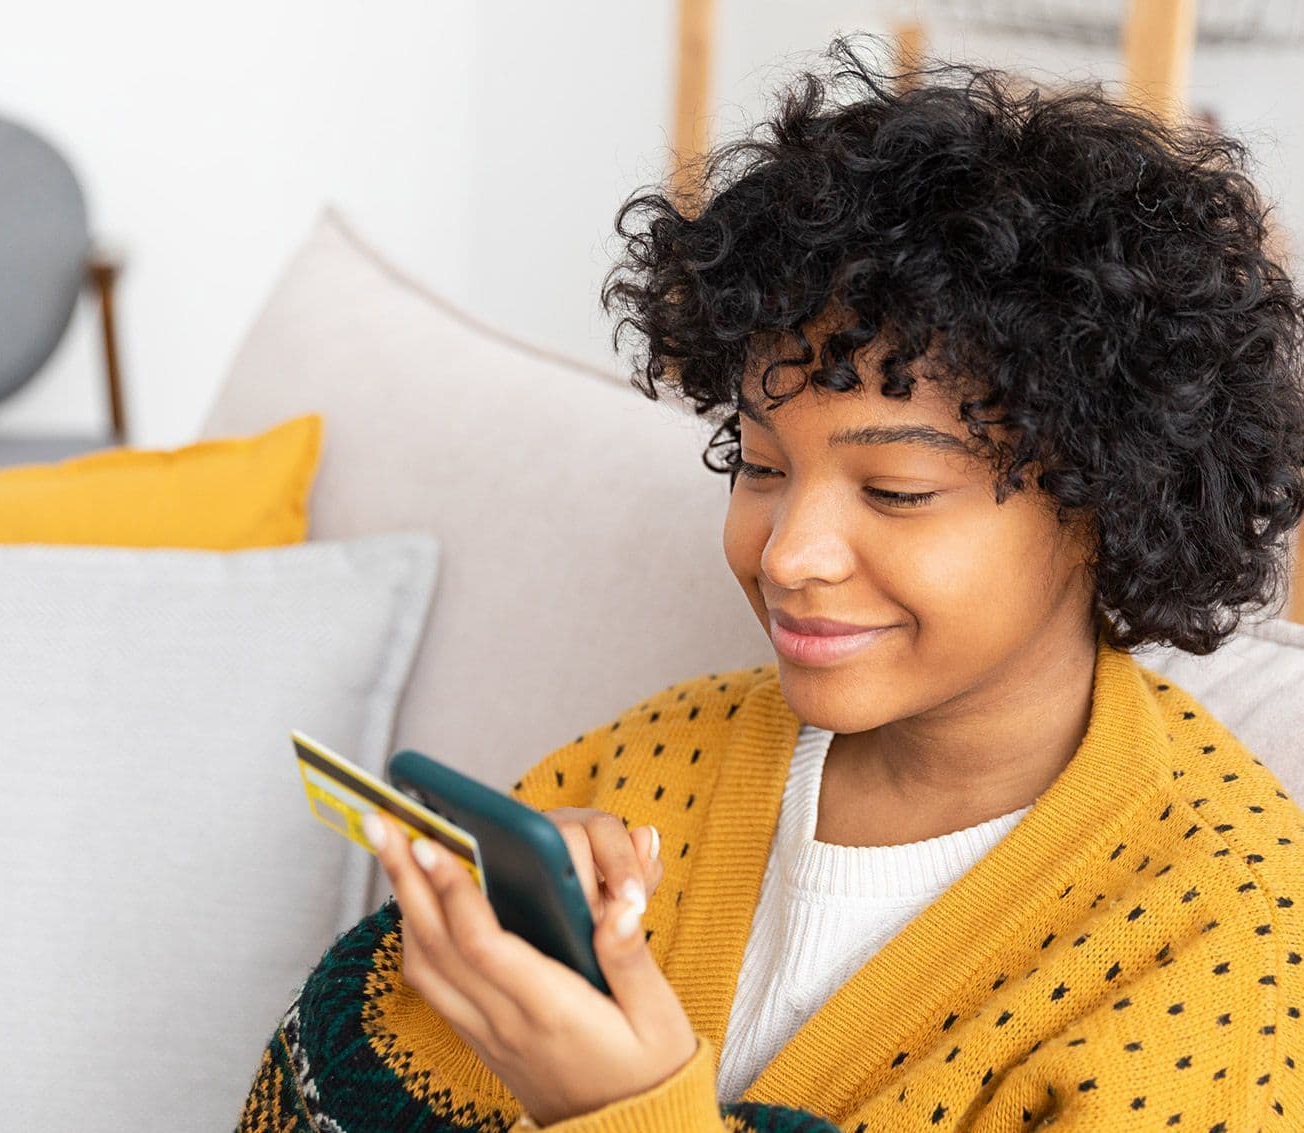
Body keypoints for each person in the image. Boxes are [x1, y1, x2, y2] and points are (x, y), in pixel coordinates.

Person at [238, 37, 1304, 1132]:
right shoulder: (642, 762)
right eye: (758, 465)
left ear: (1107, 498)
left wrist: (614, 1108)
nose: (788, 552)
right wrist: (469, 969)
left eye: (893, 489)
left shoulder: (1230, 938)